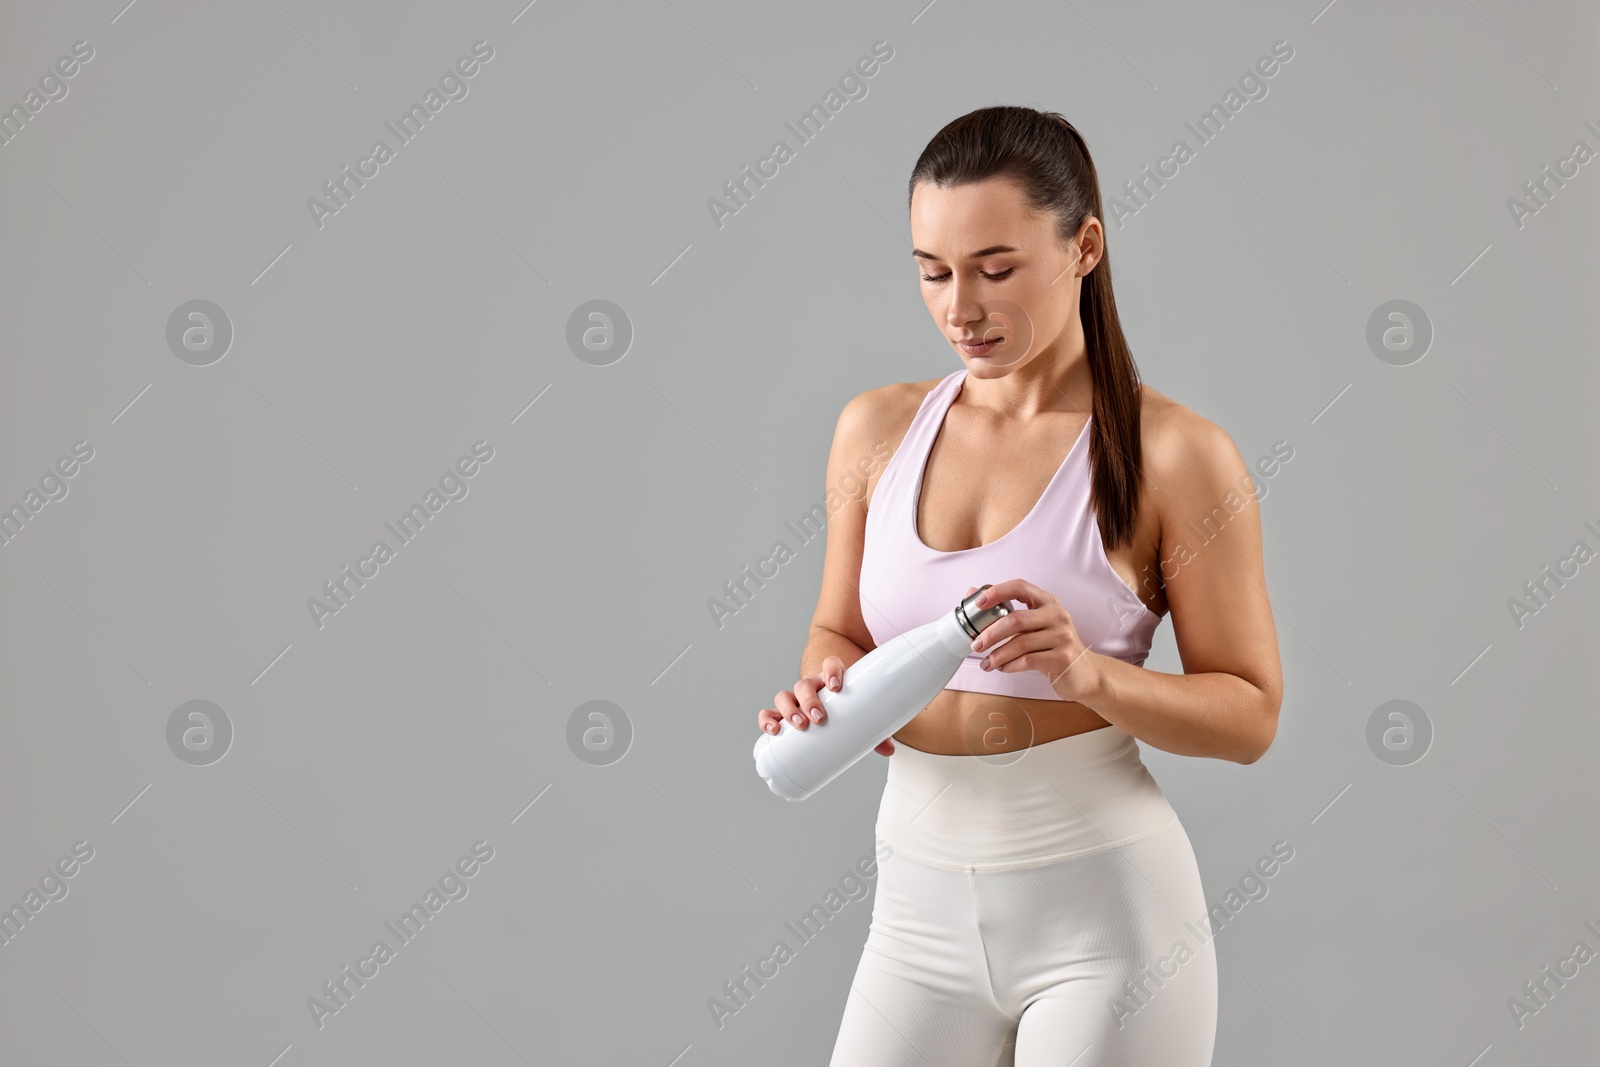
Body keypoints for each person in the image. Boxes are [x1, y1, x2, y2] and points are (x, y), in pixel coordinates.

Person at [755, 106, 1283, 1066]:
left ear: (1084, 247)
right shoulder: (875, 430)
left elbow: (1249, 715)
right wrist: (827, 687)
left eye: (996, 270)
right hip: (912, 920)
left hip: (1107, 925)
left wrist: (1089, 675)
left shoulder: (1177, 455)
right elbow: (836, 628)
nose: (962, 306)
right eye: (933, 271)